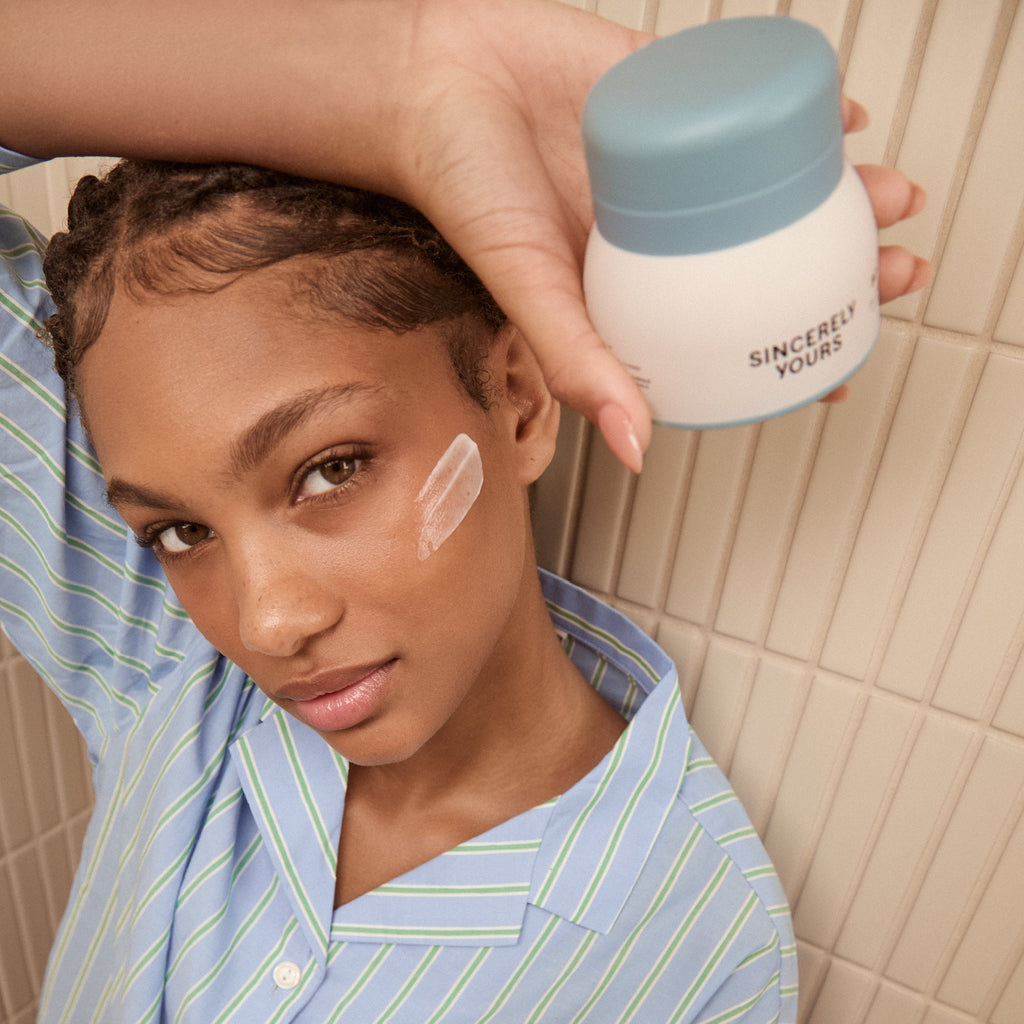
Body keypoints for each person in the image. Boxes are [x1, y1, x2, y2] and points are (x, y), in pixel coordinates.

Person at [0, 2, 932, 1020]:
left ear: (521, 402)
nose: (265, 623)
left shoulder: (686, 946)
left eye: (329, 469)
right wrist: (402, 78)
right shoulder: (160, 647)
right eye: (178, 532)